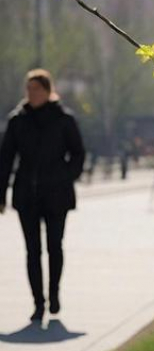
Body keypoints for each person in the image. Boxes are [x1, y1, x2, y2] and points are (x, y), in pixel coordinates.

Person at [0, 69, 86, 321]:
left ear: (48, 91)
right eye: (29, 89)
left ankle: (54, 293)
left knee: (54, 247)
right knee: (32, 251)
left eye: (36, 89)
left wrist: (65, 177)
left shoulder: (64, 119)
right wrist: (1, 192)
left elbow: (78, 153)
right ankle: (38, 302)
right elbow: (5, 159)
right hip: (26, 194)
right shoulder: (17, 120)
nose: (32, 93)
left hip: (57, 195)